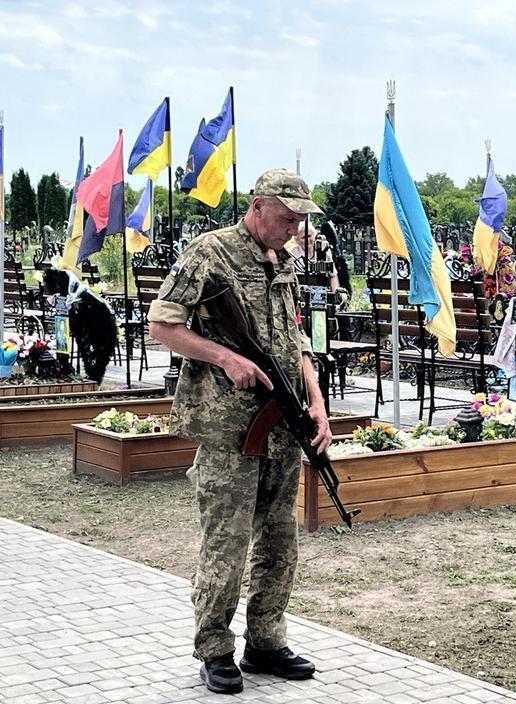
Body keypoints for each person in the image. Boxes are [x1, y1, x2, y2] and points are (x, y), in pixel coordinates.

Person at [147, 168, 332, 695]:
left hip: (281, 425)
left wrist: (316, 403)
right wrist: (224, 356)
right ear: (256, 206)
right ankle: (214, 648)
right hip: (228, 427)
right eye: (287, 218)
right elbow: (162, 325)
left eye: (300, 221)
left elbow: (294, 342)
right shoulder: (211, 253)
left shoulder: (286, 263)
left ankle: (267, 640)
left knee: (280, 540)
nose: (294, 229)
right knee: (227, 542)